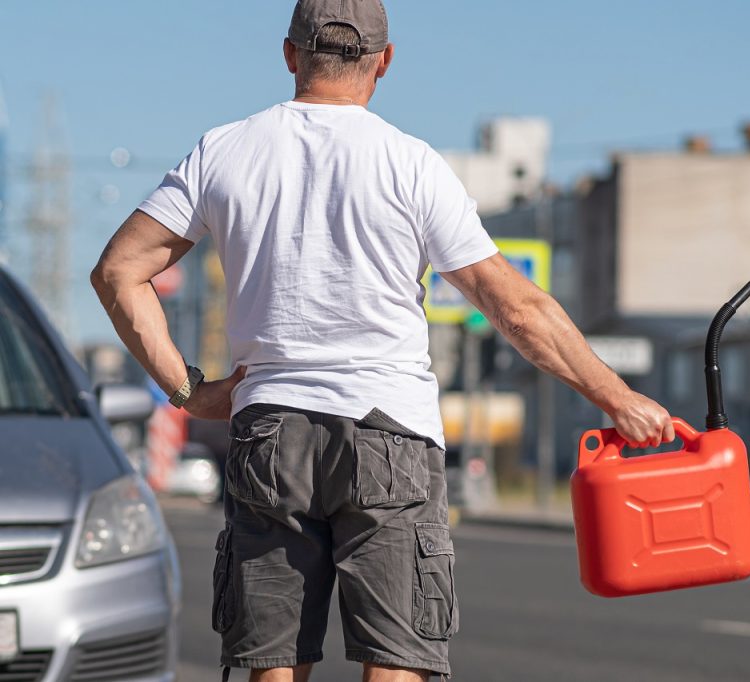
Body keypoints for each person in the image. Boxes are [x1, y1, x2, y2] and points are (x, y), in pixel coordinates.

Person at [91, 1, 673, 680]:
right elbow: (514, 308)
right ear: (384, 61)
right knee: (396, 664)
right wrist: (617, 398)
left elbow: (118, 272)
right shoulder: (413, 165)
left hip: (270, 429)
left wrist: (189, 390)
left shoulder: (224, 150)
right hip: (390, 431)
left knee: (271, 666)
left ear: (290, 55)